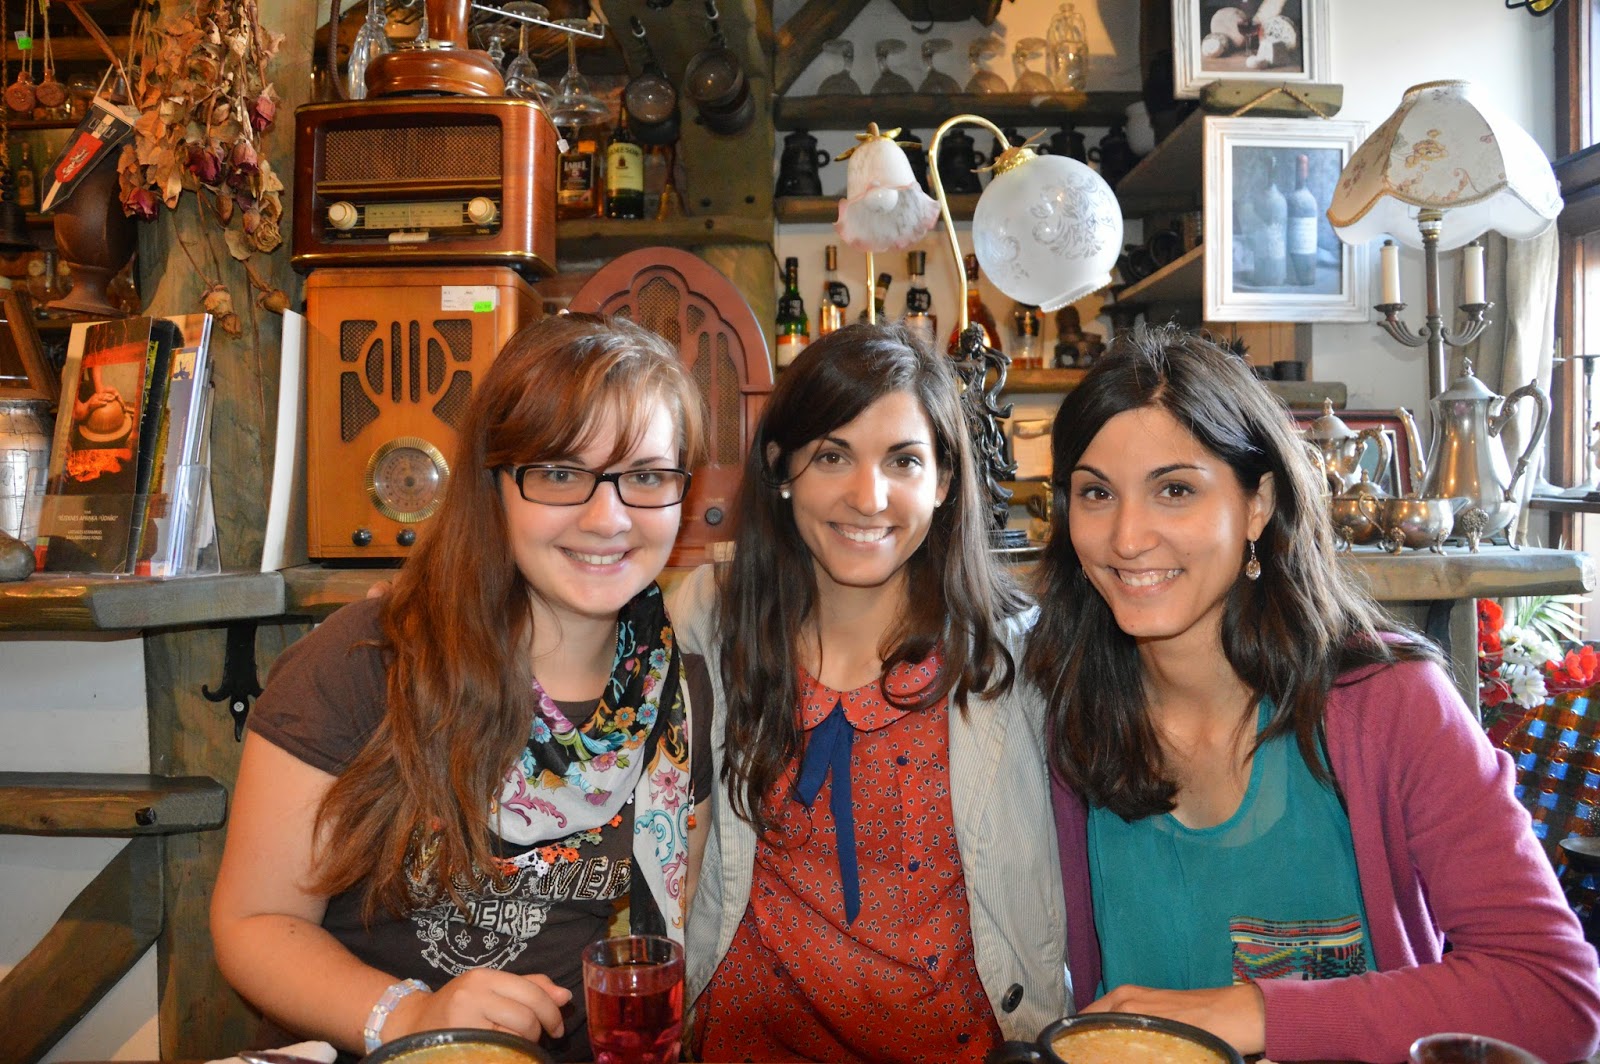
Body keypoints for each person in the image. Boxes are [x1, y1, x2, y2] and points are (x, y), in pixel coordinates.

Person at [1025, 326, 1600, 1064]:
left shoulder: (1389, 704)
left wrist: (1250, 1012)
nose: (1128, 537)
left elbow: (1555, 995)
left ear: (1257, 505)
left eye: (1175, 490)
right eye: (1097, 493)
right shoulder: (1061, 713)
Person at [210, 314, 711, 1062]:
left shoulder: (681, 698)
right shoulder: (362, 664)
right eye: (560, 473)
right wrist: (412, 1015)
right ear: (493, 484)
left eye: (644, 476)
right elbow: (253, 923)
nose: (607, 518)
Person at [669, 322, 1068, 1062]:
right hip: (746, 1044)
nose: (868, 496)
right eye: (832, 456)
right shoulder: (713, 619)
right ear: (781, 469)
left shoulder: (1015, 657)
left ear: (943, 483)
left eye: (903, 460)